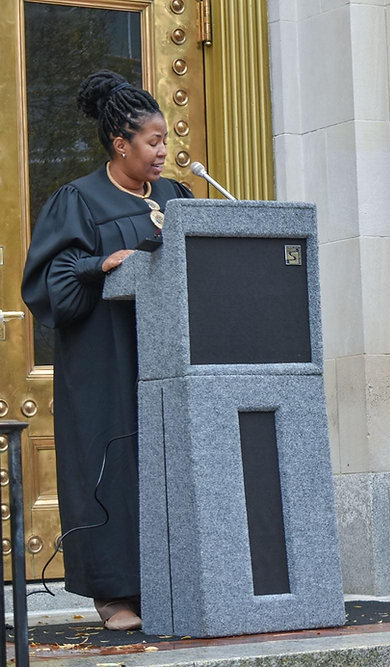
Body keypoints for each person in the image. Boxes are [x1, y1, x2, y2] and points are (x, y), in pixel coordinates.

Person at [21, 70, 193, 630]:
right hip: (104, 361)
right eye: (153, 142)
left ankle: (177, 579)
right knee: (113, 466)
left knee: (169, 464)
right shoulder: (79, 201)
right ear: (121, 143)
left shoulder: (175, 197)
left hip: (168, 357)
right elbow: (52, 285)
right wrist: (102, 263)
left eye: (166, 140)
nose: (164, 152)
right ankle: (113, 594)